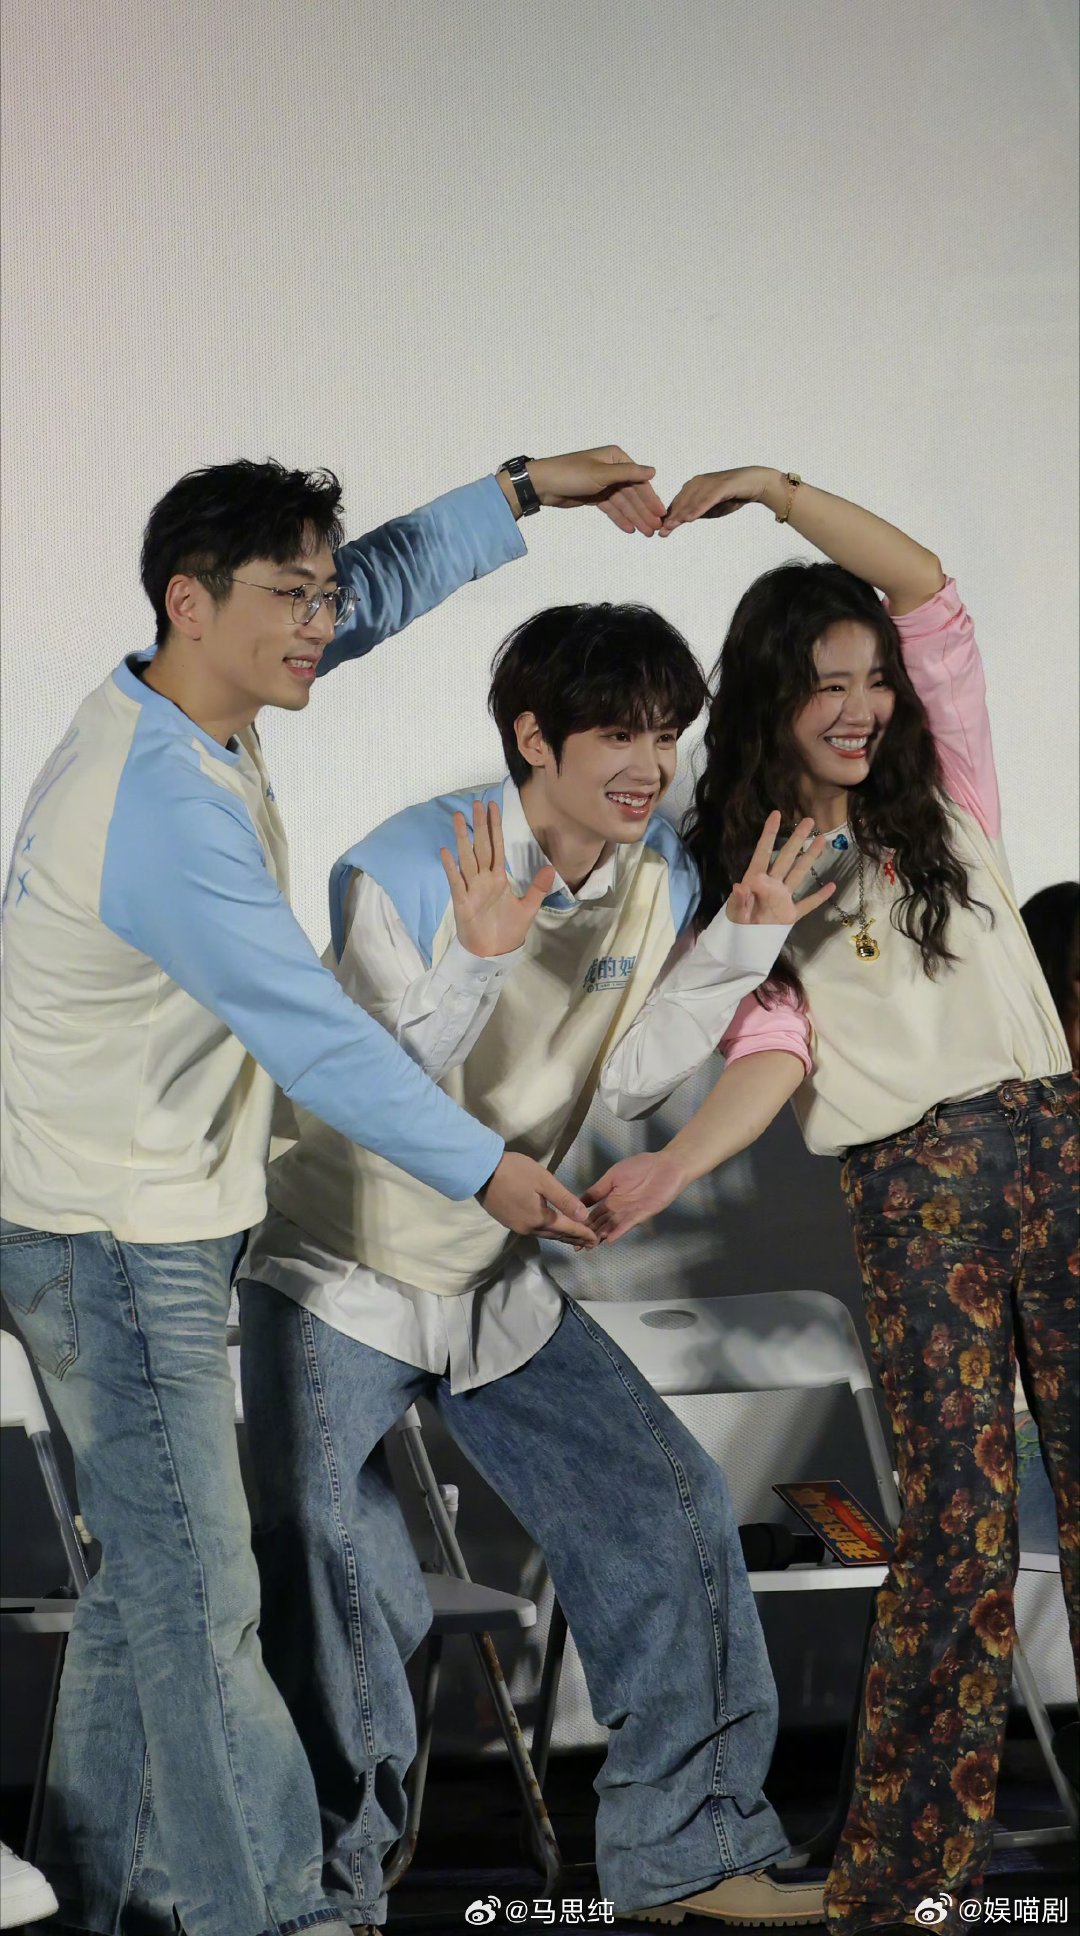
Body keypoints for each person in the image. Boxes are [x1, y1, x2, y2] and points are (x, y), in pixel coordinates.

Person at [0, 445, 661, 1936]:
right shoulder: (160, 808)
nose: (323, 621)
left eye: (322, 594)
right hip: (112, 1239)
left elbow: (374, 589)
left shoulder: (191, 695)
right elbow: (315, 1036)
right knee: (201, 1598)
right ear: (191, 601)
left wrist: (519, 492)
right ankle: (277, 1914)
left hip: (123, 1214)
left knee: (150, 1592)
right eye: (291, 597)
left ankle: (98, 1903)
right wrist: (486, 1167)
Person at [237, 600, 835, 1931]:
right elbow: (363, 1086)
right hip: (343, 1263)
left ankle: (694, 1855)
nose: (650, 766)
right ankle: (324, 1888)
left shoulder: (657, 869)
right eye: (618, 735)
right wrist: (477, 962)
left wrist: (737, 946)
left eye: (665, 736)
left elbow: (625, 1079)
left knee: (669, 1504)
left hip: (494, 1281)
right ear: (532, 738)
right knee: (326, 1554)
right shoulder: (400, 867)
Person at [585, 467, 1079, 1934]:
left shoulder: (950, 792)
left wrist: (780, 492)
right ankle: (900, 1880)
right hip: (915, 1188)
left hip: (1055, 1150)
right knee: (960, 1534)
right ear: (773, 700)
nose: (863, 707)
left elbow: (930, 590)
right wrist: (674, 1165)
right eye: (828, 686)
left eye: (874, 680)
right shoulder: (760, 871)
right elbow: (774, 1050)